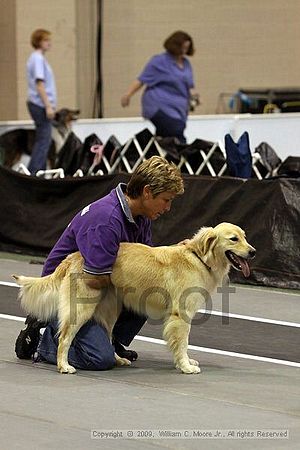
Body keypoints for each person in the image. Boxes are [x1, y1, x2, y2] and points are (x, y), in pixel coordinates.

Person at [15, 156, 184, 370]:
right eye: (166, 200)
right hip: (73, 285)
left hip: (101, 283)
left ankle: (110, 342)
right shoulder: (106, 220)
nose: (168, 207)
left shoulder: (142, 215)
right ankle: (44, 339)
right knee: (98, 359)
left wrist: (179, 252)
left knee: (152, 295)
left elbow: (145, 261)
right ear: (147, 192)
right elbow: (95, 279)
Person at [121, 30, 199, 144]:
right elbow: (141, 80)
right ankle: (183, 155)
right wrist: (128, 94)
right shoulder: (159, 61)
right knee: (176, 130)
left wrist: (194, 99)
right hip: (159, 106)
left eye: (187, 48)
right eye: (182, 47)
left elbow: (189, 85)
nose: (184, 51)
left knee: (166, 135)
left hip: (178, 109)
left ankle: (158, 156)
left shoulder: (186, 63)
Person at [26, 29, 57, 174]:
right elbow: (40, 84)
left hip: (37, 104)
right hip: (40, 104)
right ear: (38, 42)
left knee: (43, 140)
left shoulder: (37, 58)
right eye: (45, 40)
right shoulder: (37, 59)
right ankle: (35, 174)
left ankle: (40, 172)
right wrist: (48, 106)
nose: (49, 43)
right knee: (44, 141)